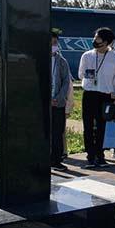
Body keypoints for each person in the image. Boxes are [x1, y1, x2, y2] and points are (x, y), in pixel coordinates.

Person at [78, 27, 115, 168]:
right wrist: (90, 75)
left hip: (105, 95)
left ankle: (100, 155)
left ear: (107, 42)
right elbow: (81, 74)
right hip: (89, 93)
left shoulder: (114, 58)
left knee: (101, 126)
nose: (95, 41)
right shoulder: (87, 56)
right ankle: (90, 156)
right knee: (88, 125)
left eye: (98, 39)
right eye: (95, 38)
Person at [50, 30, 71, 171]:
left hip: (58, 103)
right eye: (51, 43)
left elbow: (66, 82)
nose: (53, 45)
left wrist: (58, 97)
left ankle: (56, 160)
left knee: (57, 132)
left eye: (55, 43)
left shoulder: (62, 61)